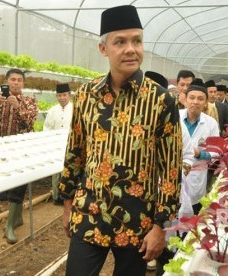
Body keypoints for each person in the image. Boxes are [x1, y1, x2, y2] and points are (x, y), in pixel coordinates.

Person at [58, 5, 182, 276]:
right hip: (89, 214)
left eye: (137, 41)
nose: (131, 49)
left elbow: (171, 170)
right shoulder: (85, 95)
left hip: (138, 222)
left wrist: (161, 226)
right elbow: (75, 154)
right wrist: (67, 205)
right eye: (121, 42)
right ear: (104, 49)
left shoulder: (162, 100)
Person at [0, 68, 38, 244]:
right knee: (10, 183)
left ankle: (9, 226)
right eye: (12, 79)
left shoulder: (29, 101)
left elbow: (30, 122)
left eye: (19, 80)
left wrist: (17, 107)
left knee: (18, 186)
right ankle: (18, 218)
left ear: (23, 83)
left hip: (22, 150)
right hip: (3, 150)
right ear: (6, 82)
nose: (16, 83)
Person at [179, 79, 220, 215]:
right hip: (173, 174)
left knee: (193, 213)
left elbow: (216, 153)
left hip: (196, 176)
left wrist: (199, 154)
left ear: (205, 103)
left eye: (200, 99)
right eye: (192, 97)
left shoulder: (211, 124)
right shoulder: (175, 117)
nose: (195, 102)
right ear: (185, 99)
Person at [43, 83, 73, 205]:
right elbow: (47, 127)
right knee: (56, 173)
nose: (62, 98)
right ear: (57, 96)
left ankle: (68, 197)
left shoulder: (75, 109)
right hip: (55, 146)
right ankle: (57, 196)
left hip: (70, 145)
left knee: (69, 171)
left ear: (69, 95)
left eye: (64, 95)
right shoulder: (52, 111)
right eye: (59, 95)